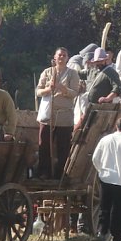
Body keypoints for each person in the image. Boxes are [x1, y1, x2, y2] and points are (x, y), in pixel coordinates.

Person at [36, 47, 81, 179]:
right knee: (44, 145)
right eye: (59, 55)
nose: (61, 57)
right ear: (55, 58)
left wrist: (62, 87)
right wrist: (48, 89)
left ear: (67, 58)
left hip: (64, 117)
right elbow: (38, 91)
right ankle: (44, 172)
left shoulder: (72, 74)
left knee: (63, 147)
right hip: (48, 116)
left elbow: (74, 93)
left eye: (64, 55)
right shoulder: (47, 72)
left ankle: (60, 174)